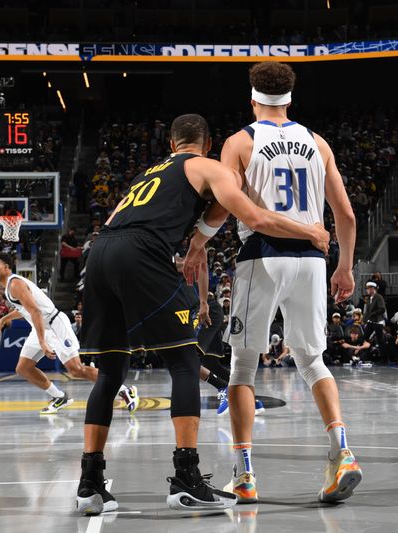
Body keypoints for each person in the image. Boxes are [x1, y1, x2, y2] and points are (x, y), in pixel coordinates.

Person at [76, 113, 329, 515]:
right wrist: (311, 232)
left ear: (172, 144)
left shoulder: (151, 174)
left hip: (100, 251)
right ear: (208, 144)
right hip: (141, 252)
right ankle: (186, 478)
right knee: (184, 362)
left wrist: (194, 245)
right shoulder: (209, 167)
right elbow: (256, 218)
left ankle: (89, 484)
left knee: (109, 373)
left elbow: (203, 222)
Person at [184, 62, 362, 505]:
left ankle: (244, 475)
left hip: (263, 257)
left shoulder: (240, 142)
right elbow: (346, 215)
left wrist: (197, 243)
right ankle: (342, 451)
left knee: (243, 369)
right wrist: (346, 267)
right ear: (290, 98)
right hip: (314, 262)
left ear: (252, 98)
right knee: (312, 360)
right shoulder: (317, 142)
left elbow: (226, 206)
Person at [0, 253, 138, 416]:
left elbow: (36, 311)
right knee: (23, 368)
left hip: (54, 325)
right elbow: (25, 309)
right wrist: (3, 319)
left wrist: (43, 342)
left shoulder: (15, 283)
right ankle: (59, 397)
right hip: (41, 327)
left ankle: (125, 390)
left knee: (76, 369)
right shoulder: (10, 286)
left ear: (6, 267)